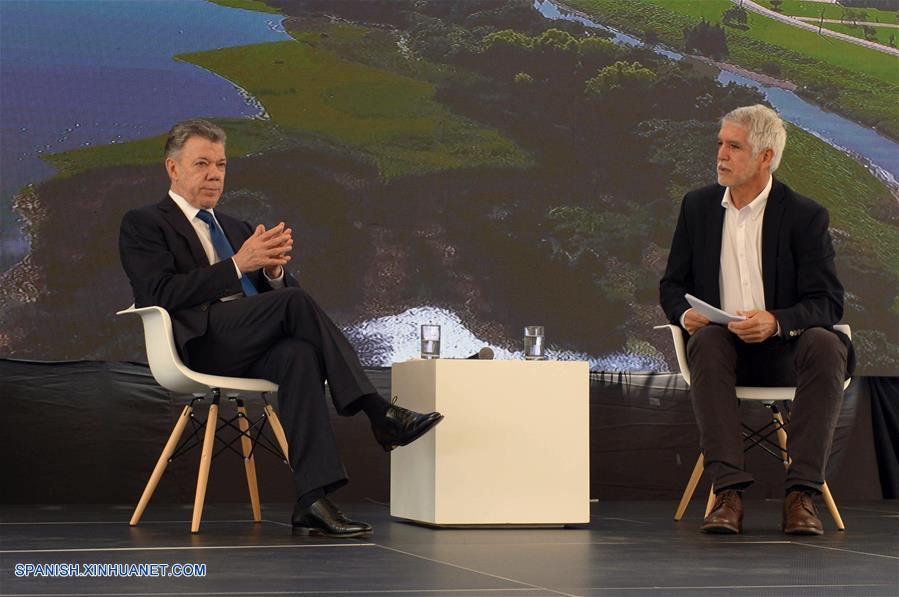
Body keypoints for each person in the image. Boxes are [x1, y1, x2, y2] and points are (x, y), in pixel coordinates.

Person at [119, 119, 443, 538]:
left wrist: (272, 273)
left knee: (300, 354)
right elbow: (158, 292)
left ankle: (312, 499)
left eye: (221, 164)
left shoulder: (234, 227)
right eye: (202, 163)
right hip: (199, 345)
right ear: (173, 168)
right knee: (293, 304)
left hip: (250, 341)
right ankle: (377, 412)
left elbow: (284, 298)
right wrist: (238, 265)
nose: (214, 174)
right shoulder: (145, 222)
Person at [659, 105, 853, 535]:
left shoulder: (806, 215)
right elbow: (671, 286)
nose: (721, 155)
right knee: (707, 342)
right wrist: (686, 313)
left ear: (765, 157)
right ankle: (727, 494)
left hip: (788, 353)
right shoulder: (698, 207)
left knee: (827, 342)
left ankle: (801, 495)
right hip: (722, 353)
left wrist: (776, 321)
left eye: (734, 146)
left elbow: (827, 302)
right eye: (720, 144)